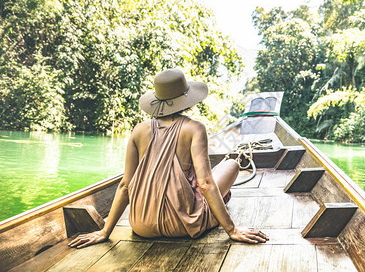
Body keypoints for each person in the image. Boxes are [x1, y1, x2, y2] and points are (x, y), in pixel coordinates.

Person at [68, 68, 269, 249]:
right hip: (184, 225)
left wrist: (104, 232)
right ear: (186, 99)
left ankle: (215, 202)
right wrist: (233, 230)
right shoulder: (194, 128)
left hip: (141, 225)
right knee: (232, 164)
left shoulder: (138, 130)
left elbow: (124, 186)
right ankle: (219, 204)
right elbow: (206, 184)